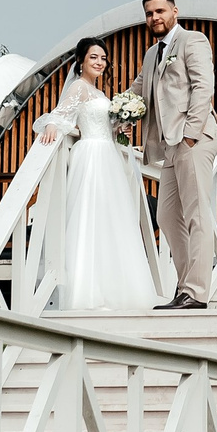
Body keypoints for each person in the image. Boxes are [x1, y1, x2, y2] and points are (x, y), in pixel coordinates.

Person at [35, 37, 164, 311]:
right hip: (91, 156)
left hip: (108, 155)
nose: (99, 63)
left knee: (111, 221)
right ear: (81, 61)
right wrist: (52, 126)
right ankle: (87, 293)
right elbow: (60, 115)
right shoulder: (79, 88)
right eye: (94, 57)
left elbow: (102, 124)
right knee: (89, 219)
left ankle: (114, 289)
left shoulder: (100, 93)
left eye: (103, 58)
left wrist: (118, 129)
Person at [131, 0, 217, 309]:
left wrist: (191, 135)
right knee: (167, 216)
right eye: (149, 13)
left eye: (159, 11)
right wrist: (110, 113)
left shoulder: (193, 40)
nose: (154, 18)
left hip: (193, 137)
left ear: (174, 11)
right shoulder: (152, 54)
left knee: (196, 214)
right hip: (170, 145)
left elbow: (203, 86)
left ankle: (196, 292)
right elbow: (138, 91)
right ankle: (184, 287)